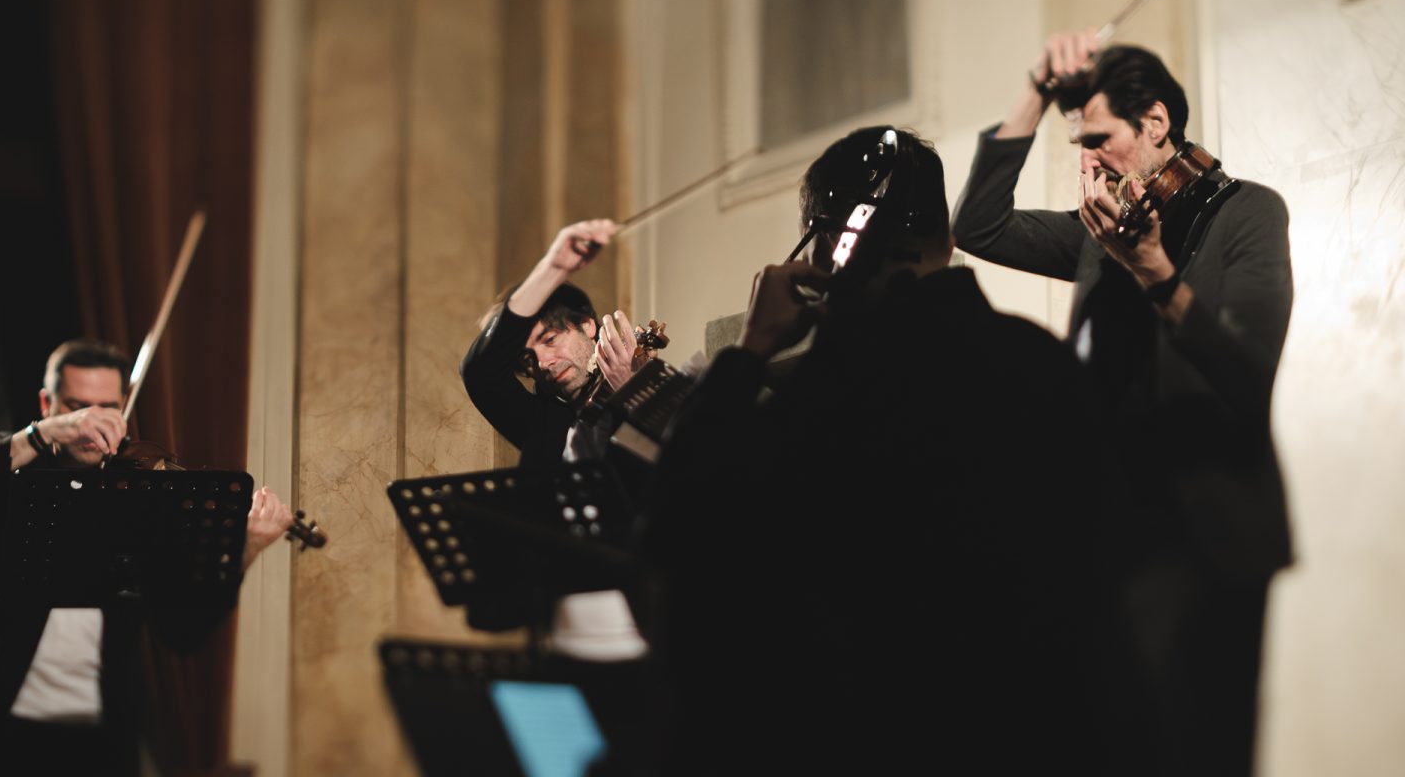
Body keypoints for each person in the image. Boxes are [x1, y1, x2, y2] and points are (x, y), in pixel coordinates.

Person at [646, 127, 1098, 774]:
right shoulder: (1042, 362)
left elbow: (674, 534)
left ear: (824, 254)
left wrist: (749, 351)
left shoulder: (814, 406)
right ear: (947, 240)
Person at [951, 30, 1294, 776]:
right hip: (1106, 528)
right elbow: (977, 225)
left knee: (1195, 752)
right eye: (1079, 144)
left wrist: (1159, 276)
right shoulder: (1097, 237)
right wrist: (1037, 92)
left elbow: (1249, 371)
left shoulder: (1249, 213)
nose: (1087, 161)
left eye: (1099, 139)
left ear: (1156, 122)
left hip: (1203, 530)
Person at [0, 339, 294, 776]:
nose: (90, 422)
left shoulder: (147, 489)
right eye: (77, 407)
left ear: (124, 407)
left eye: (106, 408)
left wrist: (245, 548)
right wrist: (46, 432)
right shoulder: (16, 465)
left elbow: (184, 630)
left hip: (99, 727)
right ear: (47, 403)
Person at [460, 218, 646, 473]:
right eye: (528, 359)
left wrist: (632, 394)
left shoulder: (643, 384)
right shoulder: (539, 421)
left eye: (550, 340)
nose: (543, 363)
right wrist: (554, 268)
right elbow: (480, 373)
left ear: (587, 326)